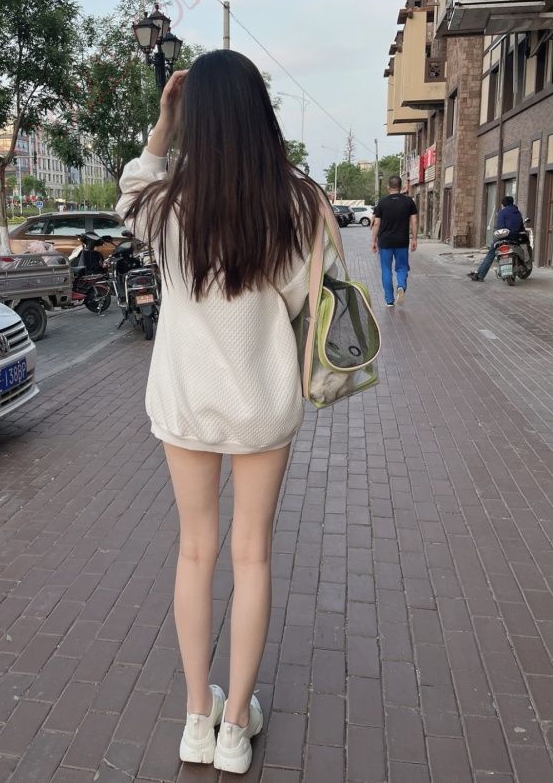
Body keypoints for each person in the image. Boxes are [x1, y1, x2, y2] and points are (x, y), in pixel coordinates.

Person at [117, 51, 333, 775]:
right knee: (253, 555)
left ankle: (195, 718)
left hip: (186, 401)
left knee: (195, 551)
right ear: (258, 113)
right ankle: (236, 724)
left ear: (196, 120)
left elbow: (129, 193)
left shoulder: (166, 207)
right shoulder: (300, 204)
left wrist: (160, 125)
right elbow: (305, 302)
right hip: (263, 402)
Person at [371, 176, 418, 307]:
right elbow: (414, 221)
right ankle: (401, 286)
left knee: (386, 269)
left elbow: (376, 224)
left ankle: (389, 300)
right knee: (402, 267)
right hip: (402, 241)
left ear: (388, 187)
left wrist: (373, 241)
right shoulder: (409, 202)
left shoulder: (382, 202)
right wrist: (414, 239)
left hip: (385, 242)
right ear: (401, 187)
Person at [469, 195, 524, 282]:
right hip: (515, 238)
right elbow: (521, 228)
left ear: (503, 204)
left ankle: (480, 275)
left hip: (504, 238)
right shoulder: (518, 213)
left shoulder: (502, 212)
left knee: (491, 254)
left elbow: (500, 228)